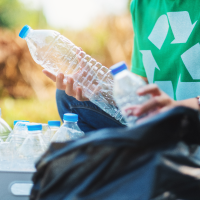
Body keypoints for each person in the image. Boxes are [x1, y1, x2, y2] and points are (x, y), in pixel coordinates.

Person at [43, 0, 200, 133]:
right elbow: (144, 89)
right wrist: (103, 91)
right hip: (161, 124)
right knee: (69, 97)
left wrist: (179, 107)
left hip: (192, 120)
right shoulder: (142, 5)